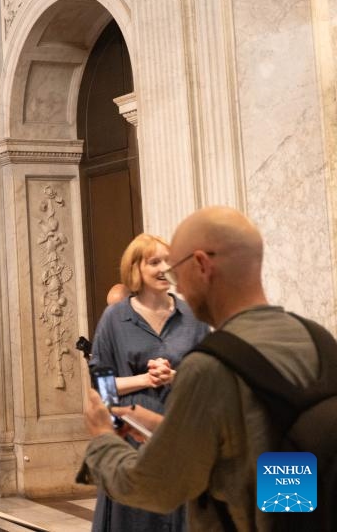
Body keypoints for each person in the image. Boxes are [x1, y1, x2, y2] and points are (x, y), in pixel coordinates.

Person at [82, 206, 324, 531]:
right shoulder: (318, 340)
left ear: (201, 266)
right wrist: (158, 424)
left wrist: (102, 439)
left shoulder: (210, 366)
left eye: (176, 268)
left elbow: (156, 486)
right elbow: (273, 448)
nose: (176, 283)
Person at [87, 233, 209, 531]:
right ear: (136, 269)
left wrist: (174, 376)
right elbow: (101, 387)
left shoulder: (192, 315)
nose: (164, 268)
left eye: (169, 261)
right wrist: (144, 378)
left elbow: (208, 379)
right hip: (132, 437)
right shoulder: (115, 318)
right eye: (155, 262)